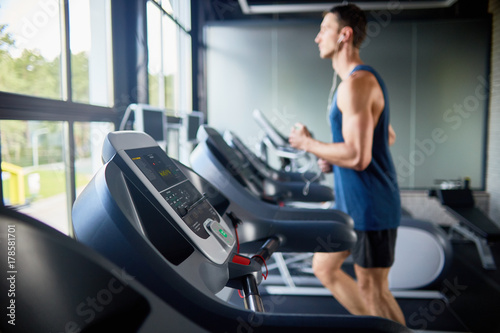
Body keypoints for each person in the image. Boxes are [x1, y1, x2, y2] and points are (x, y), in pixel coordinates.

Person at [288, 4, 405, 326]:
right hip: (350, 204)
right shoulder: (354, 84)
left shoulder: (357, 84)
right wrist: (332, 158)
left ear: (344, 34)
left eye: (324, 29)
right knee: (324, 268)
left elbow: (359, 156)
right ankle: (375, 327)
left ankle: (385, 328)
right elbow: (387, 137)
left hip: (371, 206)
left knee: (375, 290)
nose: (317, 37)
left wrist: (308, 144)